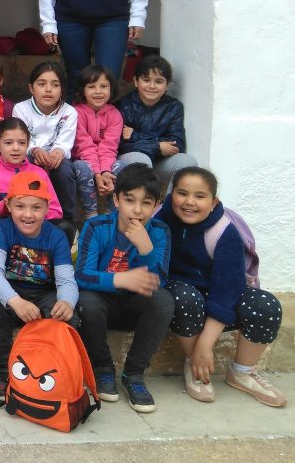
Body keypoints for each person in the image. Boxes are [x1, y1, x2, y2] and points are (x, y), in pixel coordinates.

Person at [156, 167, 286, 407]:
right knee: (183, 297)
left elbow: (228, 288)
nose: (189, 202)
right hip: (181, 295)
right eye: (182, 193)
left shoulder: (224, 231)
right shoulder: (158, 221)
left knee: (266, 305)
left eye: (200, 196)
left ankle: (242, 372)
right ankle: (195, 364)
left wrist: (206, 345)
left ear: (213, 202)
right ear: (171, 195)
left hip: (219, 294)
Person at [75, 164, 174, 413]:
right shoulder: (96, 226)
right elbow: (82, 275)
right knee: (85, 301)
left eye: (146, 203)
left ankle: (134, 373)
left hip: (134, 304)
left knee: (163, 300)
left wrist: (146, 249)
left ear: (156, 205)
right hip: (100, 303)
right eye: (130, 200)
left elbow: (158, 280)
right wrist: (120, 280)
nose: (137, 210)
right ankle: (103, 368)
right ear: (117, 200)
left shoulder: (160, 231)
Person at [0, 171, 79, 400]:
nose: (28, 214)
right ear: (8, 206)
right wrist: (15, 301)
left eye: (36, 207)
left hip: (43, 294)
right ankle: (4, 371)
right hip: (10, 293)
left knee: (70, 316)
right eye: (20, 206)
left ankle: (51, 369)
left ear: (47, 208)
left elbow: (66, 280)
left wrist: (66, 301)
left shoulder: (56, 236)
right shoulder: (2, 229)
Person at [0, 119, 72, 273]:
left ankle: (52, 274)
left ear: (28, 144)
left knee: (64, 227)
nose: (16, 148)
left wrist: (33, 213)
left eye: (22, 143)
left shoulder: (38, 173)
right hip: (5, 232)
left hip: (34, 229)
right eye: (8, 143)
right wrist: (1, 207)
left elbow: (56, 211)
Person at [114, 55, 197, 186]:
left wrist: (136, 136)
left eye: (159, 81)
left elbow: (177, 144)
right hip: (131, 159)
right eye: (146, 80)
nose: (152, 86)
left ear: (167, 85)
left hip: (160, 161)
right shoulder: (123, 106)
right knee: (141, 160)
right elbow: (120, 145)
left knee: (187, 161)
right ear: (136, 81)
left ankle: (169, 199)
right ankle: (141, 199)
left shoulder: (173, 107)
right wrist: (157, 146)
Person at [12, 61, 79, 222]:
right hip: (30, 155)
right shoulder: (21, 109)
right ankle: (26, 217)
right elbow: (20, 138)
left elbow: (65, 142)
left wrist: (58, 151)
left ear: (62, 89)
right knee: (25, 166)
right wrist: (34, 150)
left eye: (55, 85)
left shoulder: (69, 112)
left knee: (64, 170)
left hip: (56, 157)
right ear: (31, 88)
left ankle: (67, 220)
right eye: (41, 84)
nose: (48, 89)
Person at [71, 65, 123, 219]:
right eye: (91, 86)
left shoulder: (115, 115)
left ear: (111, 89)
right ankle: (91, 215)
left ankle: (111, 214)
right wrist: (97, 173)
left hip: (105, 160)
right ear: (83, 90)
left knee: (121, 167)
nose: (98, 91)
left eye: (103, 86)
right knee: (82, 167)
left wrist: (105, 171)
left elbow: (109, 147)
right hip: (81, 159)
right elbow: (84, 146)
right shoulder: (75, 113)